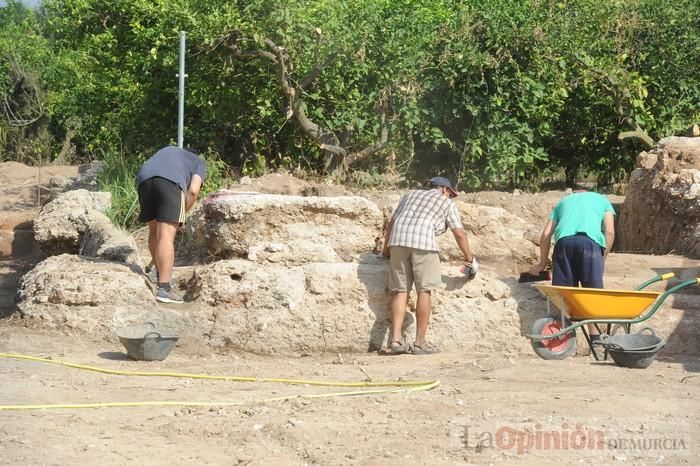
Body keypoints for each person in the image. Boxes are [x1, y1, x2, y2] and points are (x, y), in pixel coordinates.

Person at [382, 176, 477, 355]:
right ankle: (419, 344)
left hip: (398, 241)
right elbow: (459, 233)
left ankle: (395, 341)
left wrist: (386, 252)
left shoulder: (409, 195)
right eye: (450, 193)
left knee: (400, 291)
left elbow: (392, 224)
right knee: (424, 291)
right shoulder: (446, 203)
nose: (450, 197)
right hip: (424, 242)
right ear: (443, 189)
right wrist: (469, 259)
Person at [529, 190, 615, 341]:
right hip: (590, 245)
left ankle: (562, 337)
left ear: (574, 193)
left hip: (563, 245)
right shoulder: (602, 200)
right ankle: (595, 340)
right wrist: (602, 258)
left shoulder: (562, 202)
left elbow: (546, 234)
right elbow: (609, 232)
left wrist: (542, 264)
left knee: (564, 295)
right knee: (592, 295)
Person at [136, 146, 207, 303]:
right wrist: (182, 212)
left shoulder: (168, 151)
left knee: (154, 231)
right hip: (169, 182)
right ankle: (165, 289)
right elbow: (194, 190)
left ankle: (157, 275)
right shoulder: (199, 162)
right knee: (166, 236)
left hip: (144, 179)